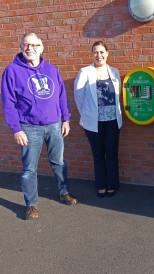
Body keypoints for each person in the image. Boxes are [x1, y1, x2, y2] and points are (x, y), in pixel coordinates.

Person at [1, 33, 78, 220]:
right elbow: (8, 102)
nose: (30, 48)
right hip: (28, 128)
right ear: (21, 47)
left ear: (42, 48)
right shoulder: (12, 71)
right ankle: (31, 204)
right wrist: (16, 129)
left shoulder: (51, 70)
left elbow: (61, 96)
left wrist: (65, 119)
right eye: (26, 45)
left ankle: (64, 192)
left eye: (34, 45)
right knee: (29, 169)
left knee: (59, 162)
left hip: (54, 125)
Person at [74, 41, 122, 198]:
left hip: (113, 121)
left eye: (102, 52)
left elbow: (118, 96)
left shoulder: (114, 72)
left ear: (107, 53)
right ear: (92, 54)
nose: (99, 55)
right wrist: (86, 114)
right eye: (95, 52)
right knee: (98, 155)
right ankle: (101, 185)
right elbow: (78, 97)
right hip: (93, 122)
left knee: (112, 154)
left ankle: (112, 185)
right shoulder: (85, 72)